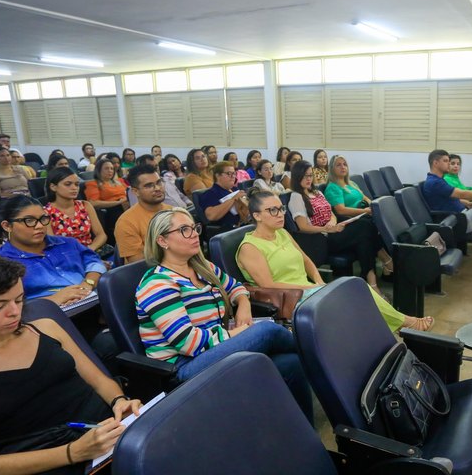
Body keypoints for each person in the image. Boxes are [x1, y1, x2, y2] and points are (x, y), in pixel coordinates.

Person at [0, 254, 140, 475]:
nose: (15, 311)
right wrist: (73, 452)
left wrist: (119, 400)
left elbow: (99, 380)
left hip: (107, 434)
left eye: (19, 299)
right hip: (46, 461)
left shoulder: (45, 328)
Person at [136, 207, 313, 421]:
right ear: (162, 241)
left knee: (292, 364)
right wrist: (239, 333)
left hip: (214, 349)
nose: (194, 234)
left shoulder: (201, 268)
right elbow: (188, 343)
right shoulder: (157, 284)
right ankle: (319, 350)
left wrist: (244, 305)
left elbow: (236, 288)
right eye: (184, 230)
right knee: (266, 331)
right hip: (183, 368)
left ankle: (303, 434)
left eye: (194, 228)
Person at [237, 189, 432, 332]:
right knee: (352, 294)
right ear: (257, 216)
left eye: (281, 209)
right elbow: (268, 285)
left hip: (307, 290)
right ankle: (404, 323)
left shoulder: (282, 233)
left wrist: (318, 281)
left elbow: (306, 260)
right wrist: (309, 289)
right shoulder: (250, 247)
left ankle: (395, 326)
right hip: (289, 298)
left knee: (358, 288)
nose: (280, 214)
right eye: (272, 211)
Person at [289, 161, 385, 293]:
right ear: (296, 176)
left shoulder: (317, 193)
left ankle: (371, 283)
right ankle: (377, 275)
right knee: (365, 227)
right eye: (304, 176)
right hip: (320, 239)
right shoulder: (296, 196)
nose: (308, 179)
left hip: (331, 231)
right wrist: (326, 229)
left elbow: (331, 213)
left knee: (365, 238)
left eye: (310, 175)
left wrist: (333, 222)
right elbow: (302, 227)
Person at [0, 196, 107, 305]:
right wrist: (53, 300)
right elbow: (6, 305)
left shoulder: (67, 243)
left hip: (93, 299)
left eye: (43, 219)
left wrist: (88, 283)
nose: (39, 226)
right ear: (7, 226)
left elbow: (94, 262)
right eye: (29, 220)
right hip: (45, 317)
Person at [114, 164, 171, 263]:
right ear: (135, 191)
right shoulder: (126, 222)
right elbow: (139, 264)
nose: (157, 188)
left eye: (159, 182)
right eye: (149, 186)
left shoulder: (173, 211)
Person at [44, 167, 107, 252]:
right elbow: (52, 244)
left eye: (77, 184)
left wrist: (89, 249)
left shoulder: (85, 205)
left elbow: (101, 235)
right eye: (68, 184)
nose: (74, 188)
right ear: (53, 187)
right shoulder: (45, 212)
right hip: (65, 257)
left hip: (90, 251)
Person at [199, 161, 249, 229]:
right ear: (218, 175)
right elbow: (211, 216)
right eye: (229, 173)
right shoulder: (210, 193)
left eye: (234, 173)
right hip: (228, 230)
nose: (233, 176)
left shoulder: (234, 189)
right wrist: (233, 199)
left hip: (244, 223)